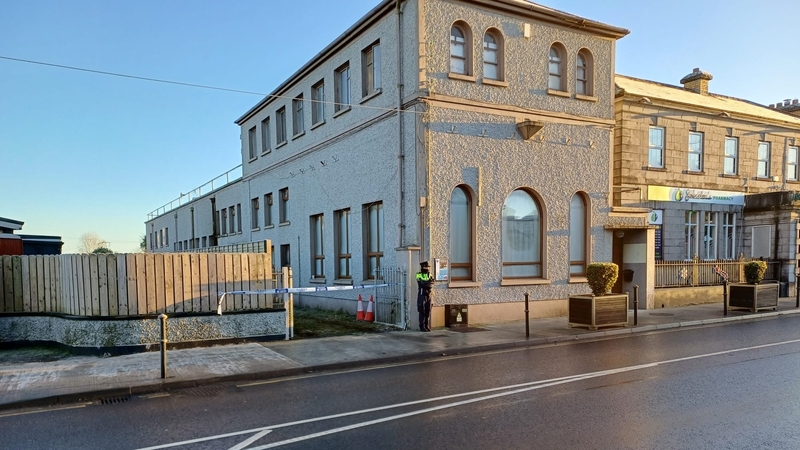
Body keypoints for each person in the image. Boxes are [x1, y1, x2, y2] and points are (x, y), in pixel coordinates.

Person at [416, 261, 434, 331]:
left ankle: (427, 325)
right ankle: (422, 326)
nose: (427, 268)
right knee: (422, 310)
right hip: (421, 294)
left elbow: (432, 283)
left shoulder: (430, 274)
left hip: (428, 295)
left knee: (428, 310)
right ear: (422, 267)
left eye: (428, 267)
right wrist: (427, 284)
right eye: (426, 266)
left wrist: (426, 284)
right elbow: (420, 284)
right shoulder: (418, 274)